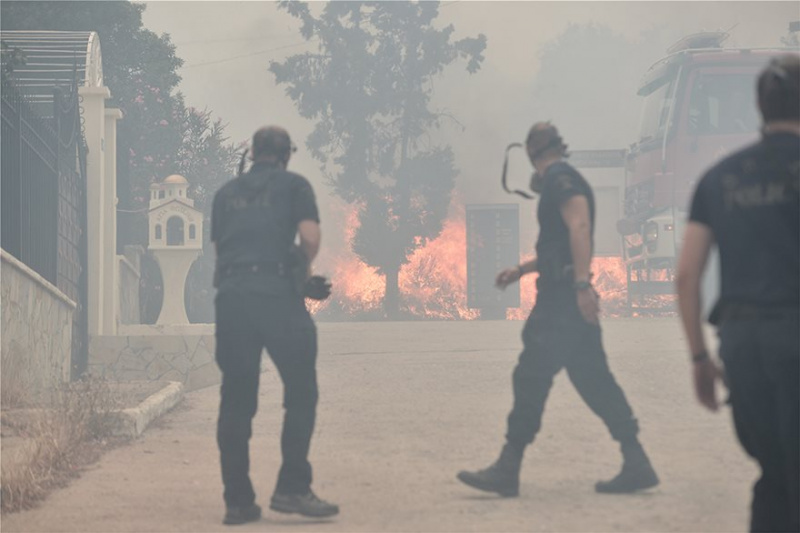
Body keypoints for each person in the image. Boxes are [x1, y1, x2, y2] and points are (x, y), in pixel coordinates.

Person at [458, 123, 659, 497]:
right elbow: (560, 246)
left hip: (562, 300)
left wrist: (582, 286)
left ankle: (508, 465)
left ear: (533, 154)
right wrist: (521, 270)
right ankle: (637, 460)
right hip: (567, 293)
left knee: (530, 375)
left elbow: (579, 225)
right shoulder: (561, 178)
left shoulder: (559, 179)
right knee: (594, 379)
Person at [676, 54, 799, 533]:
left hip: (743, 345)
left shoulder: (718, 177)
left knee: (773, 475)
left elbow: (686, 276)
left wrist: (698, 359)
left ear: (759, 104)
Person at [211, 126, 338, 524]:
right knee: (301, 391)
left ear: (251, 153)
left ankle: (237, 501)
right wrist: (298, 276)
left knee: (236, 398)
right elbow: (310, 238)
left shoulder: (225, 194)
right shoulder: (294, 186)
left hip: (231, 297)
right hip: (277, 297)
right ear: (286, 154)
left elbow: (224, 248)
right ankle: (292, 487)